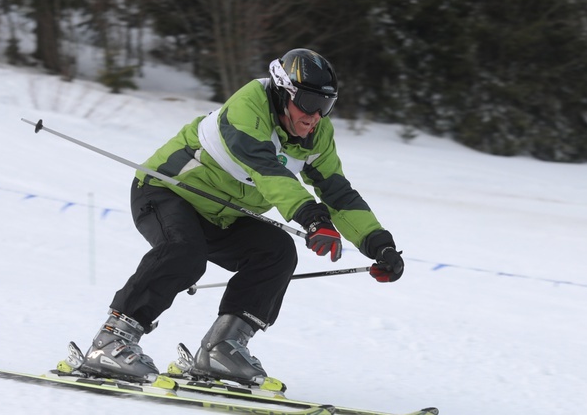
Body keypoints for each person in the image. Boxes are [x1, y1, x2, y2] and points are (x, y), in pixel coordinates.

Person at [72, 48, 404, 385]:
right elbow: (267, 171)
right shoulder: (248, 108)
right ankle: (111, 340)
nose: (315, 116)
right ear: (281, 91)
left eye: (326, 105)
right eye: (307, 102)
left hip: (223, 217)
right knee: (184, 251)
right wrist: (313, 220)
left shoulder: (317, 135)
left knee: (276, 251)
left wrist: (378, 244)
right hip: (166, 192)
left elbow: (338, 193)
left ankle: (222, 348)